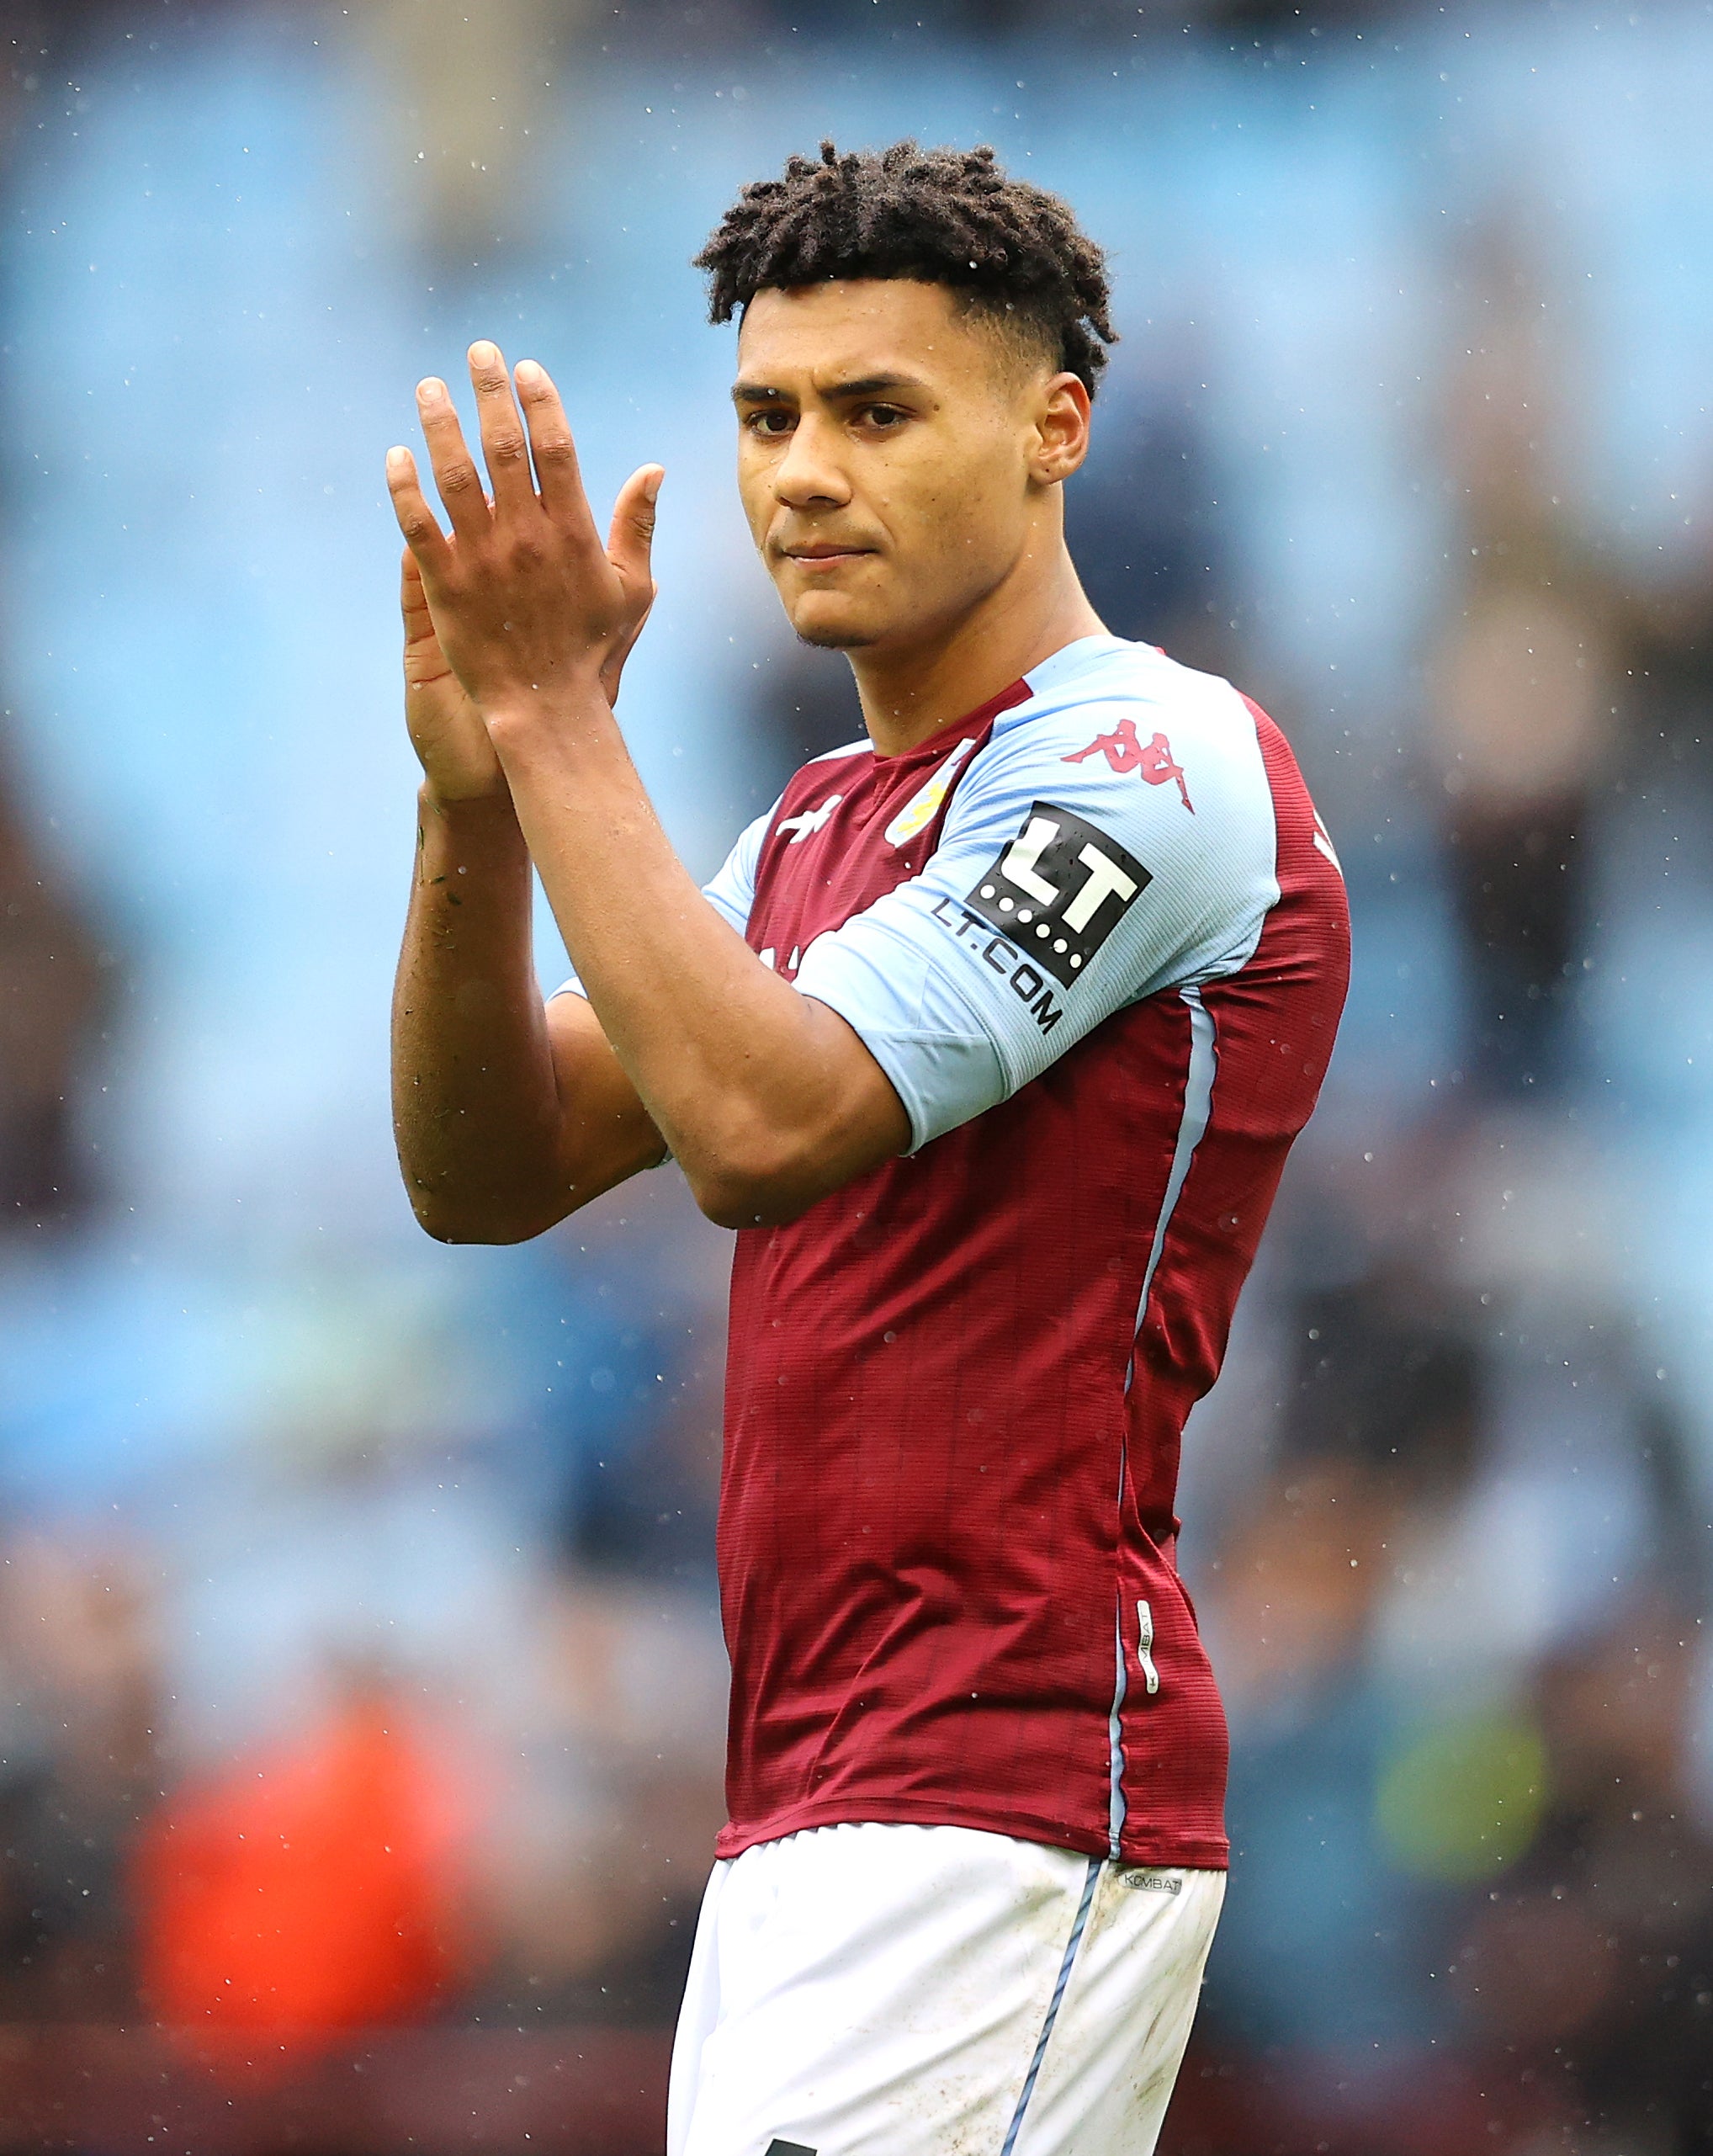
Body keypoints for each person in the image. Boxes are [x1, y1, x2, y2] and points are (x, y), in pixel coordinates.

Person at [386, 140, 1350, 2156]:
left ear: (1051, 427)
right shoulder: (823, 821)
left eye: (877, 410)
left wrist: (566, 717)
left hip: (996, 1784)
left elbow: (758, 1128)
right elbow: (485, 1169)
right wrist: (474, 793)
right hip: (815, 1802)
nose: (802, 473)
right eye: (766, 416)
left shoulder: (1151, 757)